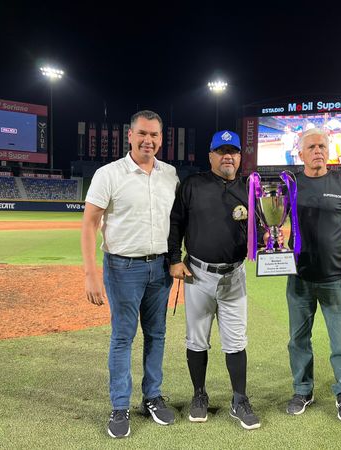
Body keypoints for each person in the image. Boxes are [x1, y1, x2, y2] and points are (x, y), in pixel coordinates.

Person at [81, 110, 179, 438]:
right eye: (142, 134)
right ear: (130, 135)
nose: (148, 140)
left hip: (161, 267)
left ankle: (152, 397)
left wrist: (178, 259)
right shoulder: (109, 174)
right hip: (122, 267)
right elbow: (90, 224)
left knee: (157, 335)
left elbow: (177, 223)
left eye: (154, 135)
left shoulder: (170, 174)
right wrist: (90, 274)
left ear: (161, 139)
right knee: (123, 337)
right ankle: (120, 405)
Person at [168, 130, 261, 430]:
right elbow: (176, 222)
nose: (228, 156)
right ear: (210, 156)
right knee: (196, 339)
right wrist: (173, 259)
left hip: (234, 275)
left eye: (233, 151)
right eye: (221, 151)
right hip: (197, 274)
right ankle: (199, 395)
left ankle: (239, 399)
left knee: (236, 341)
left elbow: (259, 228)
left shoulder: (249, 188)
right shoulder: (193, 184)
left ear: (239, 156)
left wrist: (271, 240)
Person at [285, 127, 341, 421]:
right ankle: (302, 390)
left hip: (335, 277)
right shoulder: (290, 183)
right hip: (299, 276)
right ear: (301, 153)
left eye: (322, 146)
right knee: (298, 340)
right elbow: (277, 222)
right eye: (312, 147)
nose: (318, 151)